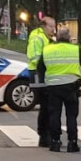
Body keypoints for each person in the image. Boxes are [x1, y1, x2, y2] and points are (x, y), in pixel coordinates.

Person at [42, 27, 81, 152]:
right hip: (71, 86)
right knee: (71, 115)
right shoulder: (75, 49)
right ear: (68, 37)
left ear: (57, 37)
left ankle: (55, 142)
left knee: (54, 115)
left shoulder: (47, 49)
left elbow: (41, 67)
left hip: (53, 86)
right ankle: (72, 143)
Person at [27, 15, 57, 147]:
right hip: (38, 74)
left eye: (54, 26)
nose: (54, 29)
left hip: (46, 74)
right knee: (45, 106)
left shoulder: (47, 38)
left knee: (48, 106)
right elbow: (35, 58)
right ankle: (44, 135)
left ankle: (46, 134)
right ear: (44, 26)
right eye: (51, 26)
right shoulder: (37, 38)